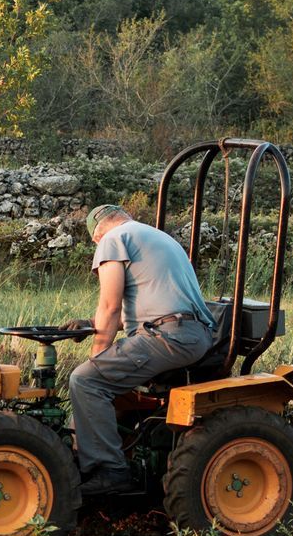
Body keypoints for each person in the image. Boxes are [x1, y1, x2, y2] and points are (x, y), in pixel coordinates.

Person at [68, 203, 214, 497]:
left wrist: (97, 357)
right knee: (102, 380)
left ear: (96, 236)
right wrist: (89, 324)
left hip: (169, 336)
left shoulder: (112, 240)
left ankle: (110, 471)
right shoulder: (154, 236)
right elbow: (149, 305)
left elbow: (110, 307)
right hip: (190, 332)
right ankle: (91, 452)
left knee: (86, 381)